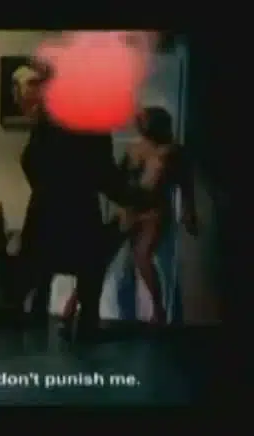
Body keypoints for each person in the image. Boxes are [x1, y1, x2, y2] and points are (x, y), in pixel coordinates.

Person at [10, 61, 143, 342]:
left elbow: (29, 160)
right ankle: (85, 328)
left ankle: (25, 327)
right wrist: (133, 197)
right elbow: (104, 174)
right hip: (77, 209)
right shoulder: (90, 125)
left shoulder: (48, 123)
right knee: (88, 268)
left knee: (37, 270)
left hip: (46, 207)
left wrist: (44, 187)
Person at [113, 107, 198, 323]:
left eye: (144, 120)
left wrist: (189, 211)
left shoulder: (171, 152)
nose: (140, 124)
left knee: (143, 258)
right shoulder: (136, 149)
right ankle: (75, 308)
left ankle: (159, 312)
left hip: (153, 211)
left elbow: (185, 183)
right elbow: (120, 180)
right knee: (116, 262)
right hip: (132, 209)